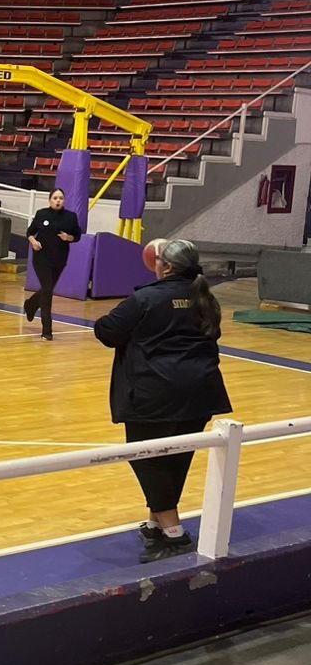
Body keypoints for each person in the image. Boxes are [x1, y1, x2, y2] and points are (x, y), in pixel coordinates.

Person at [93, 237, 231, 563]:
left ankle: (174, 533)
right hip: (201, 392)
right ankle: (156, 525)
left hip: (155, 395)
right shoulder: (206, 299)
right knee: (175, 460)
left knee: (146, 459)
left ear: (165, 266)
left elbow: (106, 331)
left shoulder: (145, 299)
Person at [23, 187, 82, 341]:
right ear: (50, 200)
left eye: (61, 198)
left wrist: (68, 238)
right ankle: (47, 330)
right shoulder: (42, 214)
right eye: (55, 198)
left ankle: (30, 304)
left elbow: (77, 236)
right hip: (41, 258)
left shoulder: (70, 217)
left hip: (59, 259)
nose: (58, 200)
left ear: (64, 201)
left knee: (46, 289)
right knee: (48, 291)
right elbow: (29, 232)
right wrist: (33, 241)